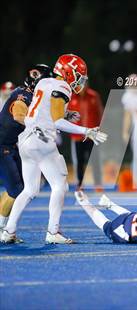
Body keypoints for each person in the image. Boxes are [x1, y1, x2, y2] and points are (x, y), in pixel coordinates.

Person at [1, 54, 108, 244]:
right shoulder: (62, 86)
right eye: (78, 75)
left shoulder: (44, 83)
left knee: (30, 190)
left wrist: (66, 113)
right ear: (68, 72)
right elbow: (57, 121)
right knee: (60, 185)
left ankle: (8, 231)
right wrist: (86, 131)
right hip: (41, 140)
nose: (79, 80)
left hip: (25, 139)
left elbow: (42, 108)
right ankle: (53, 232)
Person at [0, 65, 52, 232]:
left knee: (17, 188)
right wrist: (34, 126)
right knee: (16, 189)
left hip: (11, 145)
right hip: (3, 145)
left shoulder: (33, 94)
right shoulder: (23, 95)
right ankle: (1, 227)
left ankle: (2, 225)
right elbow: (18, 114)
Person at [67, 84, 104, 189]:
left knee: (95, 159)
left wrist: (100, 128)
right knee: (79, 161)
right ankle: (80, 183)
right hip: (77, 136)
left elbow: (100, 112)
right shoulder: (72, 97)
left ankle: (98, 183)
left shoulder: (93, 95)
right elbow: (67, 116)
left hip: (92, 134)